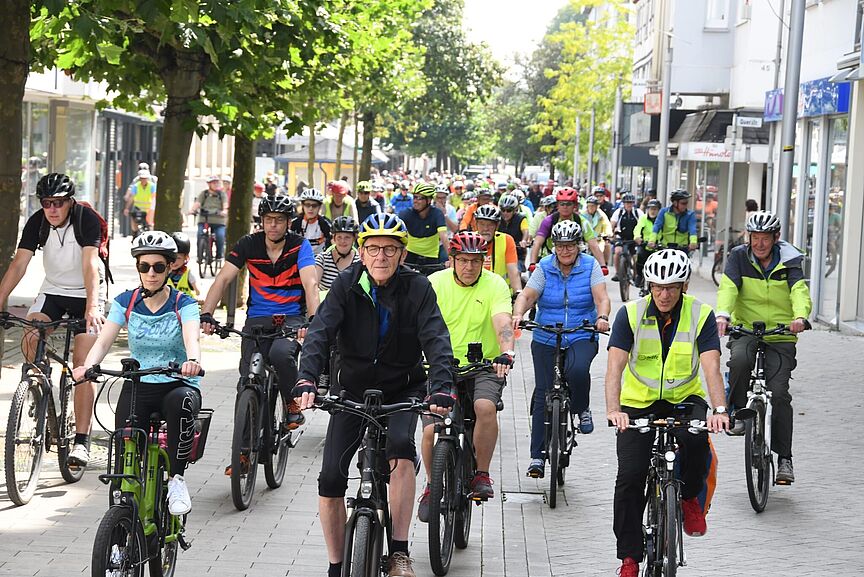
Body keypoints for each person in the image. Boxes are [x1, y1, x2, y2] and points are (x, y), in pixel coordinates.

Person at [292, 213, 454, 577]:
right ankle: (336, 564)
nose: (381, 256)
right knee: (331, 477)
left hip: (403, 388)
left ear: (402, 254)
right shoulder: (347, 284)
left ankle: (399, 551)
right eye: (373, 249)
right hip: (352, 390)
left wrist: (441, 387)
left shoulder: (417, 287)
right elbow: (320, 331)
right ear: (362, 253)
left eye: (390, 249)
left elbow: (436, 339)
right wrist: (306, 380)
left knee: (400, 449)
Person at [605, 249, 729, 577]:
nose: (664, 294)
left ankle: (688, 497)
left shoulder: (700, 314)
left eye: (672, 287)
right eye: (658, 286)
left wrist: (719, 409)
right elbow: (614, 368)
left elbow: (712, 367)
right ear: (649, 285)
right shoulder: (629, 314)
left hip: (684, 398)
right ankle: (629, 558)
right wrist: (614, 410)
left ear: (684, 286)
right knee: (630, 477)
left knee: (697, 439)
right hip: (637, 403)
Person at [72, 231, 202, 516]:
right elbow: (104, 340)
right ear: (138, 268)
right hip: (139, 383)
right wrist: (88, 366)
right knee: (125, 441)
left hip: (176, 383)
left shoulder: (184, 304)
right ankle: (124, 494)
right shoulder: (125, 302)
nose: (151, 273)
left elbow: (192, 337)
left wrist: (192, 360)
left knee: (181, 405)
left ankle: (177, 480)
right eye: (145, 266)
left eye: (158, 266)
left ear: (170, 268)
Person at [0, 173, 107, 468]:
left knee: (82, 366)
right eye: (47, 203)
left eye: (58, 203)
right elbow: (19, 264)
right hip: (54, 291)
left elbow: (90, 265)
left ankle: (82, 442)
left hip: (88, 293)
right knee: (31, 334)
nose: (52, 209)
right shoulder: (37, 222)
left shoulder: (85, 220)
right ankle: (40, 390)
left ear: (69, 202)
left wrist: (93, 307)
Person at [200, 194, 319, 441]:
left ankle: (291, 405)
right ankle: (243, 452)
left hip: (291, 318)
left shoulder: (300, 245)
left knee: (280, 354)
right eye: (268, 219)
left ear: (288, 222)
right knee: (247, 381)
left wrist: (312, 320)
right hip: (257, 319)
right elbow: (223, 279)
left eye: (279, 219)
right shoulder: (248, 244)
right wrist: (207, 314)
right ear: (261, 221)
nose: (273, 225)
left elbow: (310, 283)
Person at [417, 231, 514, 519]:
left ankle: (481, 474)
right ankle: (432, 486)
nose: (469, 267)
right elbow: (416, 321)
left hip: (485, 364)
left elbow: (503, 322)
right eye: (463, 261)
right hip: (439, 364)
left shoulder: (495, 284)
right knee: (432, 428)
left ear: (484, 262)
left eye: (476, 261)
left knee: (484, 407)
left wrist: (506, 352)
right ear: (452, 261)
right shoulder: (434, 283)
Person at [716, 211, 811, 484]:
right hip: (747, 328)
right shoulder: (738, 257)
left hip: (781, 334)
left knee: (779, 393)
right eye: (754, 238)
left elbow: (799, 291)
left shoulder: (790, 259)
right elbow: (728, 288)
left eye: (765, 239)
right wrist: (723, 314)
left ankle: (785, 459)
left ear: (775, 238)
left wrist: (800, 317)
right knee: (740, 361)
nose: (759, 244)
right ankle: (736, 412)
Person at [512, 220, 611, 478]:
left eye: (569, 246)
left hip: (582, 331)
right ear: (553, 247)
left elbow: (601, 297)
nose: (565, 251)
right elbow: (528, 294)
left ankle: (582, 408)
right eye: (559, 246)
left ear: (578, 246)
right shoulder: (544, 267)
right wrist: (518, 313)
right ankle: (536, 457)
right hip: (547, 334)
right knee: (542, 393)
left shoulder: (590, 266)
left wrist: (602, 317)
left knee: (578, 371)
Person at [529, 187, 608, 272]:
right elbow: (537, 242)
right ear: (557, 205)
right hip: (551, 260)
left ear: (575, 205)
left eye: (569, 204)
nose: (565, 207)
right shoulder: (548, 221)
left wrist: (602, 265)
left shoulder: (582, 222)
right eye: (562, 204)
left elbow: (594, 245)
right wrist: (532, 263)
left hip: (576, 262)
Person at [473, 204, 522, 295]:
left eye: (490, 225)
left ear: (497, 225)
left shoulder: (507, 240)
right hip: (475, 294)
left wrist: (518, 293)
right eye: (482, 224)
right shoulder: (469, 240)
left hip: (501, 293)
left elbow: (513, 272)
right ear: (476, 224)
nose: (485, 228)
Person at [399, 182, 448, 270]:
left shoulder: (437, 214)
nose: (415, 201)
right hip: (410, 255)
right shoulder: (406, 214)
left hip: (431, 257)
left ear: (429, 200)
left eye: (419, 198)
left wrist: (452, 258)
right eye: (414, 197)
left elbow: (443, 236)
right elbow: (397, 235)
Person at [315, 216, 360, 295]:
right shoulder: (322, 259)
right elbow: (313, 286)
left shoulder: (360, 261)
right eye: (339, 237)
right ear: (334, 238)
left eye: (347, 237)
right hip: (327, 305)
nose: (343, 241)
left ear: (354, 239)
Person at [189, 176, 228, 261]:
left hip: (218, 221)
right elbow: (198, 203)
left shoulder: (222, 194)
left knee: (220, 236)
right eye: (213, 182)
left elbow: (225, 205)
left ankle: (219, 255)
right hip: (204, 219)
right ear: (209, 184)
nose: (216, 184)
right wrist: (192, 210)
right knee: (200, 234)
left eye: (217, 182)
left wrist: (224, 211)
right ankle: (200, 255)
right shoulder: (204, 193)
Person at [648, 189, 698, 254]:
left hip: (682, 249)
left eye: (686, 203)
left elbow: (692, 229)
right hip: (665, 248)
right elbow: (656, 227)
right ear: (675, 203)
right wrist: (652, 241)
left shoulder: (690, 215)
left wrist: (693, 242)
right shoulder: (664, 212)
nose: (685, 206)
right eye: (683, 203)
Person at [609, 193, 644, 282]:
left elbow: (643, 224)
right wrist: (611, 234)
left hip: (634, 238)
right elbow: (612, 224)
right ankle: (618, 273)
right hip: (621, 237)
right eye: (627, 202)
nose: (629, 204)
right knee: (617, 252)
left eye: (631, 202)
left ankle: (636, 275)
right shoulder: (618, 212)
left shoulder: (638, 212)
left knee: (636, 257)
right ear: (623, 203)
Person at [291, 188, 331, 256]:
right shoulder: (295, 223)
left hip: (320, 259)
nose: (310, 208)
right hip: (299, 257)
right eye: (307, 205)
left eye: (314, 205)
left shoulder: (325, 224)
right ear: (302, 205)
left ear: (319, 207)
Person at [632, 199, 661, 287]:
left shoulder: (661, 219)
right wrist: (637, 237)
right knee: (640, 256)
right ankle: (639, 276)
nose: (653, 211)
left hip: (658, 245)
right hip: (645, 244)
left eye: (655, 209)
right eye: (651, 209)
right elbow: (638, 228)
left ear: (659, 210)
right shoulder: (643, 218)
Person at [497, 194, 530, 271]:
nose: (505, 213)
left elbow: (525, 231)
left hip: (517, 254)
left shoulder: (521, 219)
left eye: (509, 210)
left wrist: (524, 241)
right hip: (500, 253)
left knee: (516, 271)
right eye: (503, 210)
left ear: (515, 210)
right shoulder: (497, 218)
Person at [582, 196, 613, 266]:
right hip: (585, 240)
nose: (591, 208)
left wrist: (608, 233)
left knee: (605, 246)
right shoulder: (582, 215)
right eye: (589, 206)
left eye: (593, 206)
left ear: (597, 206)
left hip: (598, 239)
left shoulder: (601, 215)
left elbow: (607, 224)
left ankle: (603, 265)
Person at [167, 231, 199, 298]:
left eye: (178, 258)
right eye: (172, 258)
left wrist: (197, 293)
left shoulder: (187, 273)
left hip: (185, 305)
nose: (174, 262)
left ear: (186, 257)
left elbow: (197, 291)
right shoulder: (163, 272)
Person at [124, 168, 157, 234]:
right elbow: (131, 198)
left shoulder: (152, 186)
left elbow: (154, 197)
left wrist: (153, 209)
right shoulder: (136, 186)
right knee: (134, 220)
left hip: (149, 209)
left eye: (145, 178)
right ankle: (134, 233)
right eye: (142, 178)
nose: (143, 180)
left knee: (150, 225)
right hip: (138, 208)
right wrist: (127, 208)